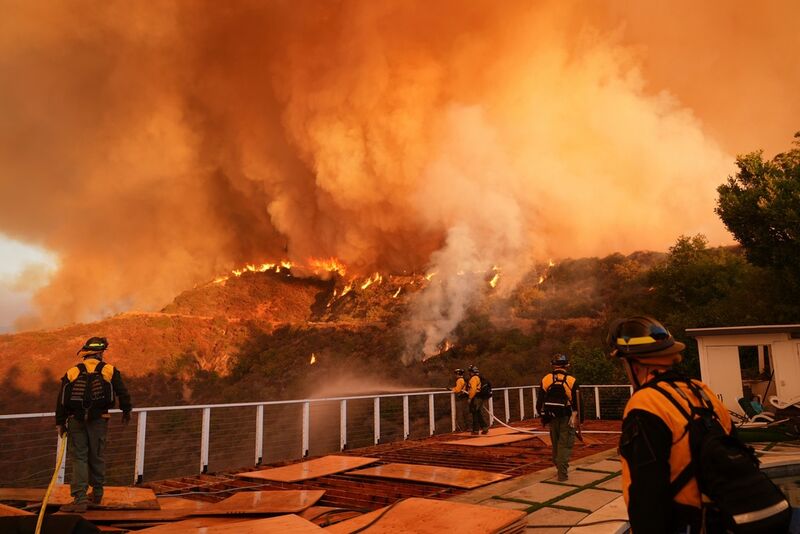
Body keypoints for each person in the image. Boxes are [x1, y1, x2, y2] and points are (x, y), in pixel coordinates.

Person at [607, 316, 791, 533]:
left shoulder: (645, 404)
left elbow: (646, 494)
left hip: (690, 523)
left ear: (634, 364)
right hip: (725, 518)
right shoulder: (702, 392)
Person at [56, 337, 132, 512]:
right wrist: (126, 412)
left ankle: (80, 500)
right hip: (99, 420)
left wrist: (60, 422)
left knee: (79, 458)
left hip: (76, 420)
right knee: (97, 455)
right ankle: (97, 495)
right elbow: (123, 394)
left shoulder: (73, 371)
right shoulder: (109, 370)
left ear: (86, 352)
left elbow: (60, 400)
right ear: (100, 353)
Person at [536, 354, 580, 481]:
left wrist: (543, 417)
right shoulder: (572, 380)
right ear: (566, 365)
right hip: (567, 417)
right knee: (564, 445)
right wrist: (578, 419)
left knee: (555, 444)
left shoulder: (546, 379)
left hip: (552, 417)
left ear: (553, 365)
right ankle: (562, 474)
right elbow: (578, 403)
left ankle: (558, 467)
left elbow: (539, 403)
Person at [467, 365, 489, 435]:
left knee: (475, 413)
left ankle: (475, 430)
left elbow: (473, 389)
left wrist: (470, 398)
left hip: (475, 398)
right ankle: (484, 427)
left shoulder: (473, 379)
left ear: (472, 372)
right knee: (478, 413)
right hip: (480, 397)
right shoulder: (478, 378)